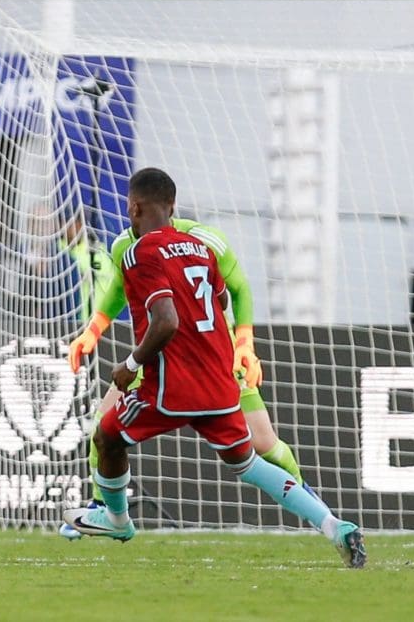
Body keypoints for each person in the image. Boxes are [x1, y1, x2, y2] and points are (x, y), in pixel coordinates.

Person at [61, 168, 365, 568]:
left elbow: (168, 319)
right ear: (171, 206)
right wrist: (96, 328)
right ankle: (333, 525)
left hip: (172, 383)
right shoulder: (199, 248)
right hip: (219, 382)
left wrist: (133, 361)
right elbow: (219, 297)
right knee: (252, 462)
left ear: (134, 207)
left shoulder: (138, 252)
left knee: (105, 434)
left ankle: (115, 517)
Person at [61, 211, 317, 537]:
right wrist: (93, 330)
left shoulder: (205, 239)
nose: (130, 212)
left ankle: (308, 500)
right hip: (159, 357)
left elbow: (238, 289)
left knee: (264, 444)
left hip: (215, 356)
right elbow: (119, 290)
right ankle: (102, 510)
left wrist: (244, 344)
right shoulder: (126, 243)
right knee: (103, 423)